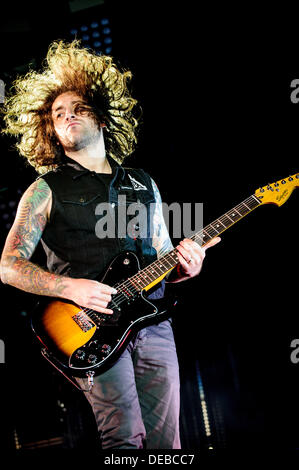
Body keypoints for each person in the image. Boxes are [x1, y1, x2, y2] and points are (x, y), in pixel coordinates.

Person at [0, 40, 220, 449]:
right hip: (87, 328)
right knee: (124, 437)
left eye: (77, 108)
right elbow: (9, 265)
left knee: (165, 443)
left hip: (152, 323)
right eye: (57, 113)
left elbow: (163, 254)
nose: (66, 117)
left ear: (101, 118)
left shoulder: (141, 182)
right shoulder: (44, 189)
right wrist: (69, 287)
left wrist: (189, 265)